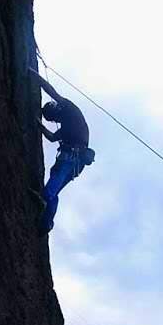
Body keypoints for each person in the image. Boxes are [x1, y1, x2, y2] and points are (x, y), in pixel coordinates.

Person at [32, 69, 94, 232]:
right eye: (52, 119)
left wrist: (36, 77)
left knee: (51, 189)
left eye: (53, 117)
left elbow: (51, 91)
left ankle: (43, 205)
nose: (55, 120)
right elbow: (52, 137)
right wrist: (40, 126)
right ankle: (46, 223)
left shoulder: (69, 109)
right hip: (73, 161)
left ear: (56, 110)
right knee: (53, 191)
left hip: (71, 159)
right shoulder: (67, 125)